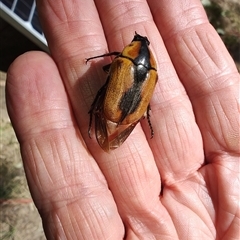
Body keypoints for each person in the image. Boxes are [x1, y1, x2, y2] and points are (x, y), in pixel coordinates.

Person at [6, 0, 239, 239]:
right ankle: (114, 122)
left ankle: (100, 121)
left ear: (130, 50)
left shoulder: (123, 61)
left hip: (118, 107)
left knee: (100, 92)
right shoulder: (152, 72)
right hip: (131, 112)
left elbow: (109, 66)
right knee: (107, 95)